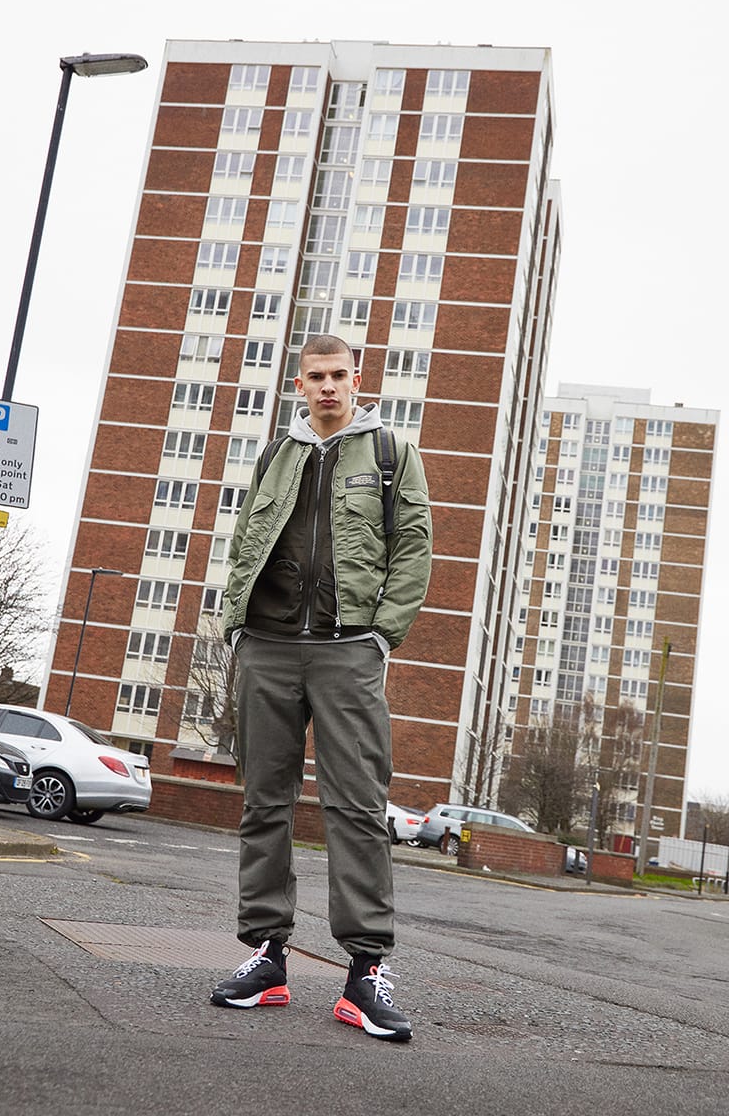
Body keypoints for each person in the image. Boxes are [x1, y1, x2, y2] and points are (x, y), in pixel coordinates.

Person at [210, 333, 432, 1042]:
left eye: (339, 374)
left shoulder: (391, 453)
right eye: (316, 376)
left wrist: (381, 634)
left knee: (359, 807)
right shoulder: (278, 453)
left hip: (347, 652)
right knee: (264, 802)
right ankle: (267, 955)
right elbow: (247, 536)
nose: (329, 386)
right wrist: (236, 627)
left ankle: (365, 972)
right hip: (269, 647)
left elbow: (416, 545)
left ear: (357, 379)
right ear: (298, 384)